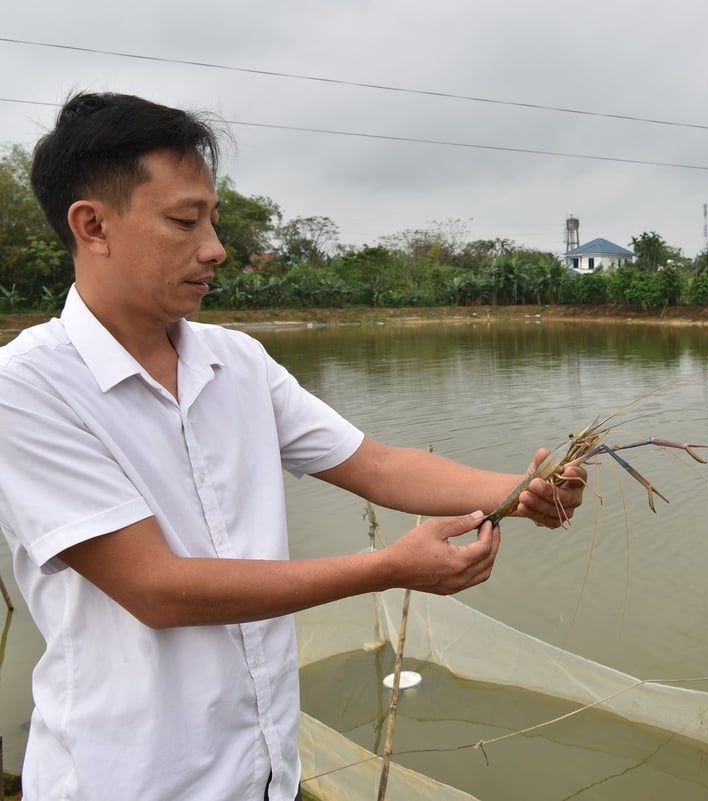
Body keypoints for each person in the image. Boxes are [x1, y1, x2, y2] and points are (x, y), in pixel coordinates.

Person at [0, 91, 587, 801]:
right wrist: (388, 567)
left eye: (212, 218)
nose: (214, 247)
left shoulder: (237, 363)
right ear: (93, 225)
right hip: (128, 779)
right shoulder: (27, 388)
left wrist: (518, 492)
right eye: (185, 221)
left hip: (264, 771)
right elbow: (155, 586)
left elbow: (377, 464)